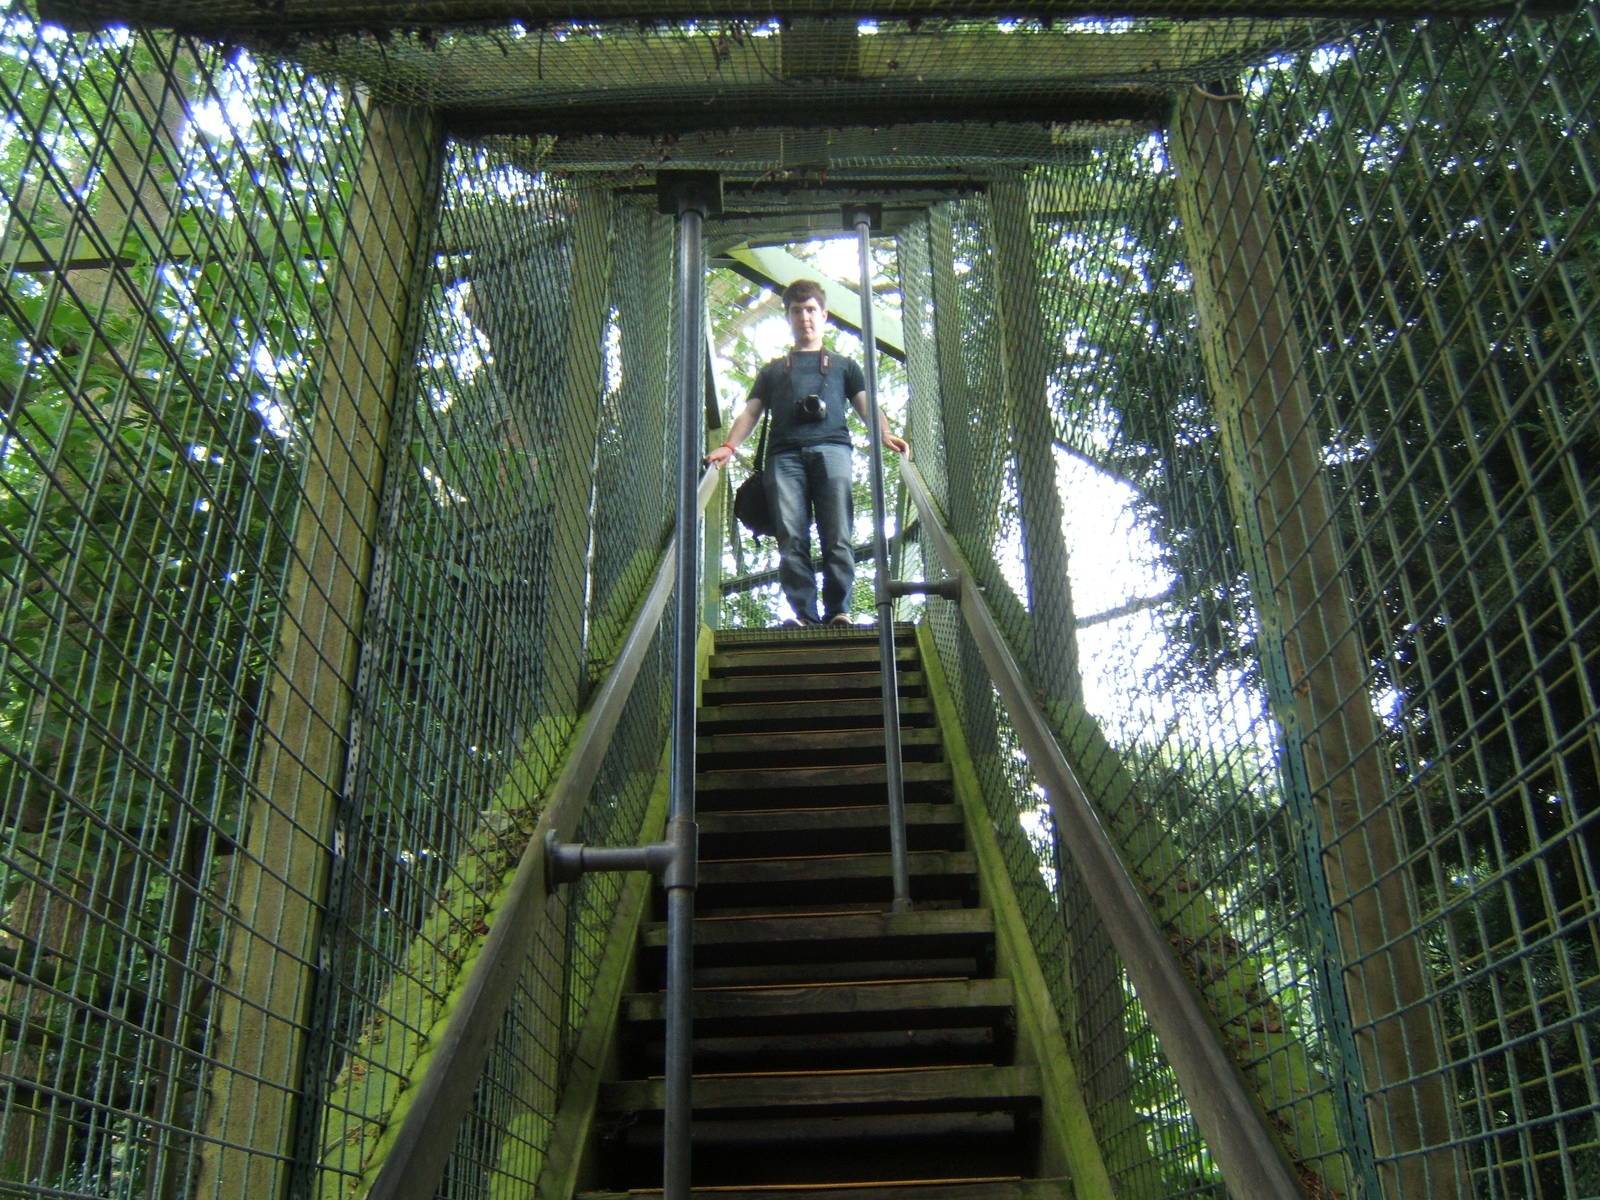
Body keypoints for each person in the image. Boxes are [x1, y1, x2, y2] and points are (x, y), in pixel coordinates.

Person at [706, 279, 909, 626]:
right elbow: (751, 412)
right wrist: (728, 446)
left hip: (833, 451)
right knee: (791, 537)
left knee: (837, 533)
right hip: (783, 458)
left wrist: (886, 433)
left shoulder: (844, 366)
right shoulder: (773, 369)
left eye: (811, 310)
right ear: (788, 317)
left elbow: (866, 406)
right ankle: (804, 615)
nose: (805, 317)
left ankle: (839, 611)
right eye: (797, 311)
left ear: (824, 314)